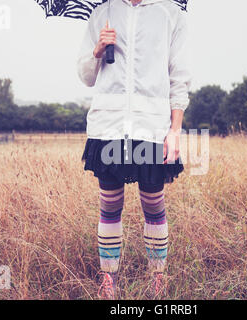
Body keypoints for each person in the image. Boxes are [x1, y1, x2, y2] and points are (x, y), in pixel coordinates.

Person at [77, 0, 191, 299]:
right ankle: (108, 281)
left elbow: (179, 75)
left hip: (151, 127)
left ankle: (158, 279)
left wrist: (175, 130)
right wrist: (98, 50)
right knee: (109, 205)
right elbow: (86, 76)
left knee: (153, 205)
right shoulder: (101, 12)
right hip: (108, 125)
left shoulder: (170, 13)